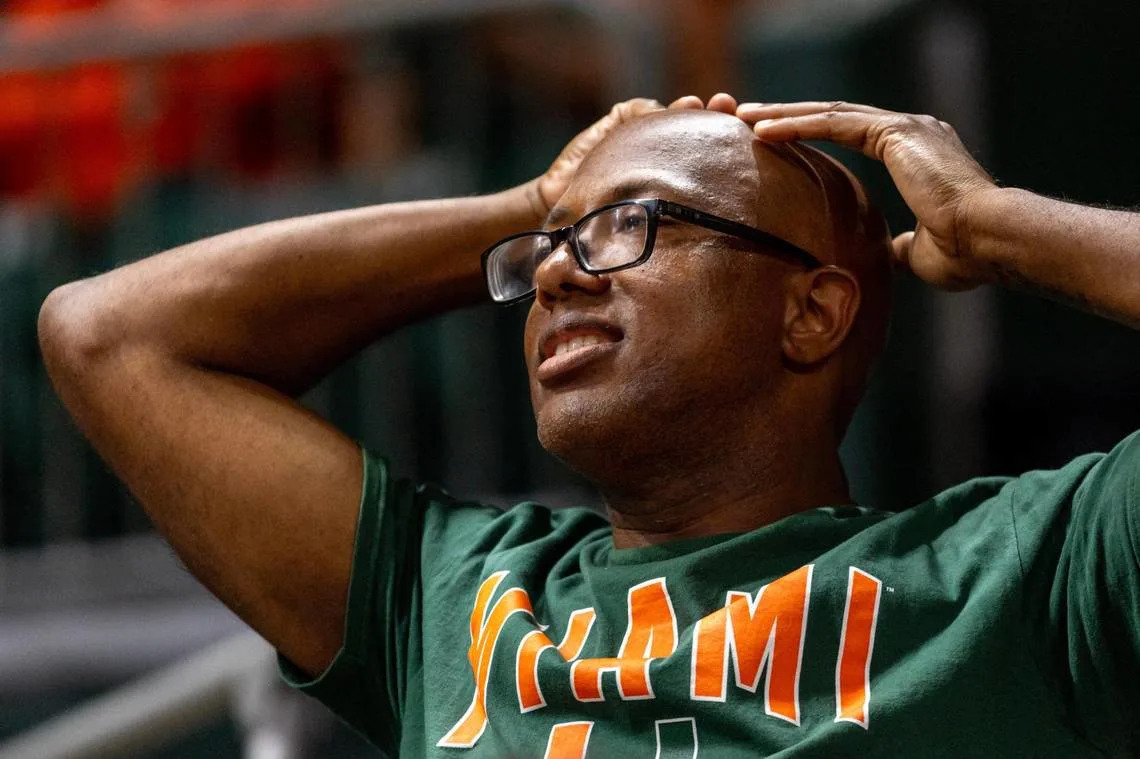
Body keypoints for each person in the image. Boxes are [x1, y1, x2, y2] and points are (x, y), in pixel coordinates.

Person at [37, 92, 1140, 758]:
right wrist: (527, 204)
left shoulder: (1028, 573)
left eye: (631, 225)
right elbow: (108, 334)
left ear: (811, 313)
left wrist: (1000, 229)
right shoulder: (449, 594)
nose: (558, 274)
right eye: (550, 250)